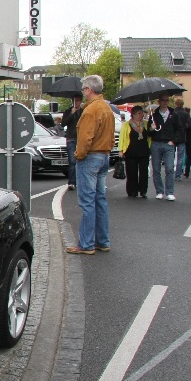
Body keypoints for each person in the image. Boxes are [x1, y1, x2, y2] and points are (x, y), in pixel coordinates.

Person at [66, 75, 115, 255]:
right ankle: (102, 241)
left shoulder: (91, 110)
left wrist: (79, 155)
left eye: (83, 89)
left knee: (87, 202)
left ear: (89, 90)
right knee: (100, 200)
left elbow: (85, 139)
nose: (83, 93)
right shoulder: (107, 108)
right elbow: (111, 136)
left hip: (90, 157)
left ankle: (86, 244)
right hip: (104, 155)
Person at [148, 93, 182, 201]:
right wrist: (152, 128)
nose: (164, 102)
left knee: (169, 168)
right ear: (159, 101)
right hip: (156, 143)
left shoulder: (174, 114)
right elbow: (149, 132)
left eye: (167, 100)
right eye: (163, 100)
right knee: (156, 169)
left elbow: (179, 129)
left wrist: (174, 141)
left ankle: (169, 192)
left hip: (168, 144)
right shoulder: (154, 115)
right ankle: (159, 191)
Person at [118, 104, 151, 198]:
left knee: (144, 172)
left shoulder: (146, 123)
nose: (142, 115)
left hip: (144, 151)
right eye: (139, 113)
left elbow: (150, 136)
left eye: (142, 113)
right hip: (131, 151)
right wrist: (121, 150)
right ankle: (132, 191)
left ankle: (143, 190)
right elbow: (122, 137)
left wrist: (152, 128)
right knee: (131, 172)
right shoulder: (126, 125)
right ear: (133, 114)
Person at [61, 96, 84, 190]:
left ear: (81, 101)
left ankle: (81, 181)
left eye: (77, 100)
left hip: (81, 138)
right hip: (71, 138)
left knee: (82, 160)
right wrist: (71, 114)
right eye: (74, 101)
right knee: (72, 161)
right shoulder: (68, 111)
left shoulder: (83, 111)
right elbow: (63, 123)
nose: (76, 102)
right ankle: (71, 182)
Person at [172, 97, 189, 181]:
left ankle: (170, 173)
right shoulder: (186, 114)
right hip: (182, 136)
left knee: (170, 156)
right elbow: (188, 125)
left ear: (175, 104)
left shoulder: (172, 113)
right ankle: (178, 175)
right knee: (180, 157)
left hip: (172, 137)